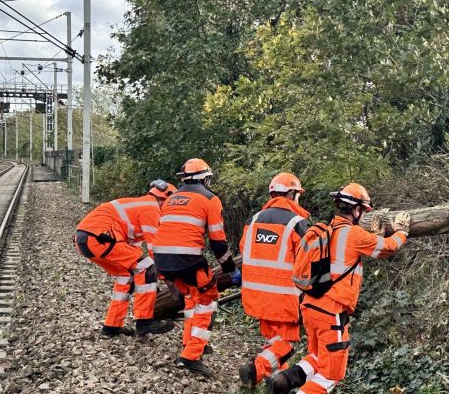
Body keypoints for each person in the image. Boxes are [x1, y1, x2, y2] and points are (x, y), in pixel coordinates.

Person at [270, 183, 411, 394]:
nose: (363, 215)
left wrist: (375, 234)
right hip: (331, 314)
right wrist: (402, 231)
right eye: (363, 211)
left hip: (310, 307)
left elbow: (362, 245)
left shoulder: (327, 230)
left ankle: (284, 380)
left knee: (318, 358)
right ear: (355, 209)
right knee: (330, 375)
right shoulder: (354, 235)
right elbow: (388, 247)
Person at [153, 158, 241, 377]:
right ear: (206, 179)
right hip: (188, 260)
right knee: (208, 299)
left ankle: (191, 342)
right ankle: (191, 356)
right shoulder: (210, 199)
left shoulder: (171, 199)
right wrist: (231, 269)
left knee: (193, 298)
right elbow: (218, 241)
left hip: (162, 260)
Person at [74, 179, 177, 338]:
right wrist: (168, 280)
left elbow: (134, 248)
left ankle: (111, 327)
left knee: (126, 276)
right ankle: (144, 322)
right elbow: (155, 250)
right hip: (100, 238)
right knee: (147, 266)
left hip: (86, 241)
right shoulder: (151, 208)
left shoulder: (140, 205)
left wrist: (152, 282)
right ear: (166, 199)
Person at [237, 172, 311, 388]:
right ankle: (256, 369)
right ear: (291, 194)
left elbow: (244, 250)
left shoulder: (254, 220)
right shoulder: (297, 223)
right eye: (297, 194)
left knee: (273, 340)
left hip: (256, 295)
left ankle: (276, 383)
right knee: (286, 344)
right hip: (285, 297)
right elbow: (307, 259)